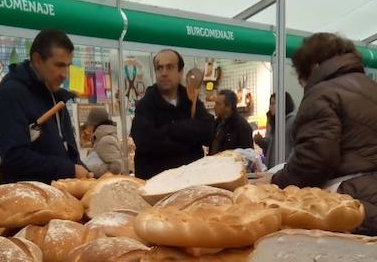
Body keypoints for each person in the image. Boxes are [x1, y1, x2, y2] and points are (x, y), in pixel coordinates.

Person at [253, 33, 377, 238]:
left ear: (313, 67)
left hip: (351, 205)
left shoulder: (323, 93)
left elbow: (314, 160)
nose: (303, 84)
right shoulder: (373, 88)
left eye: (301, 77)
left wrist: (275, 181)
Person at [0, 28, 89, 183]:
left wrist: (84, 172)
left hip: (60, 195)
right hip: (26, 199)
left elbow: (66, 150)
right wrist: (69, 170)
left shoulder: (55, 95)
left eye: (68, 66)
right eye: (59, 65)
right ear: (37, 60)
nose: (65, 74)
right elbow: (14, 156)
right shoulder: (12, 93)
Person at [130, 49, 213, 179]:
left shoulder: (191, 100)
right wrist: (188, 136)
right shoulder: (145, 105)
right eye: (159, 68)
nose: (164, 73)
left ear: (180, 72)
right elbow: (146, 142)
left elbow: (208, 132)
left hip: (192, 182)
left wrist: (172, 130)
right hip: (156, 185)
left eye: (169, 67)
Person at [81, 107, 127, 176]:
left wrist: (92, 168)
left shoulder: (105, 140)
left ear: (94, 125)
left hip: (109, 183)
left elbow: (117, 167)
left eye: (89, 125)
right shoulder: (100, 138)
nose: (88, 128)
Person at [254, 92, 296, 164]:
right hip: (273, 169)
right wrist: (260, 141)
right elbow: (270, 148)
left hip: (285, 169)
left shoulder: (293, 121)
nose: (270, 107)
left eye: (273, 103)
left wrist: (288, 165)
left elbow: (296, 147)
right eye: (270, 104)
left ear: (283, 104)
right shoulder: (273, 123)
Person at [209, 89, 254, 155]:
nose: (214, 107)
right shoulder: (216, 123)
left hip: (232, 164)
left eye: (218, 104)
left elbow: (248, 156)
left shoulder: (242, 126)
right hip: (215, 163)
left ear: (228, 107)